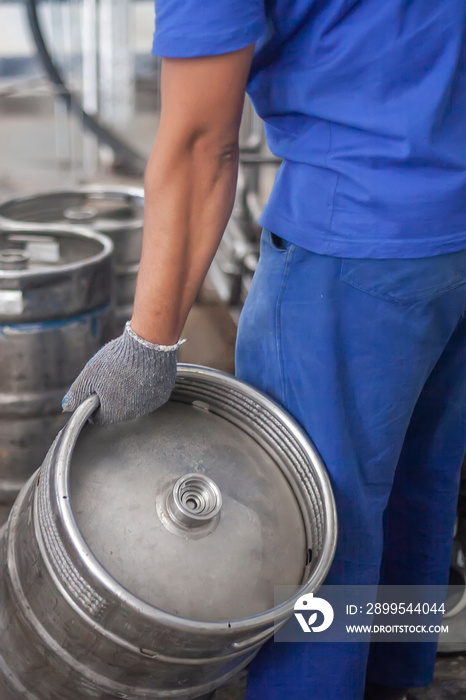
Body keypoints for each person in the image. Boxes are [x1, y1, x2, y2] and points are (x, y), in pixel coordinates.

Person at [63, 1, 466, 698]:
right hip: (450, 231)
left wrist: (148, 342)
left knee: (309, 528)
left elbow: (199, 147)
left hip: (354, 242)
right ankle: (395, 683)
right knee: (418, 485)